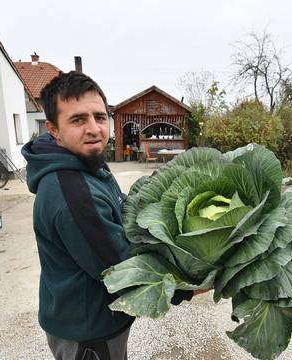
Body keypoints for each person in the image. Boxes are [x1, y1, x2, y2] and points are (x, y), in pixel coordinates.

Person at [22, 71, 194, 360]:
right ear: (53, 129)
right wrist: (190, 285)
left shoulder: (89, 164)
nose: (94, 129)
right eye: (78, 120)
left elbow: (126, 212)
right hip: (88, 332)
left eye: (100, 117)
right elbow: (124, 270)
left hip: (95, 318)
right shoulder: (72, 193)